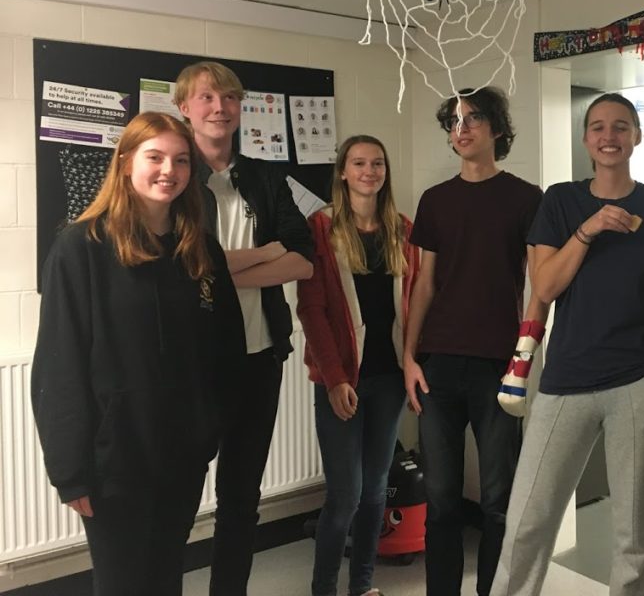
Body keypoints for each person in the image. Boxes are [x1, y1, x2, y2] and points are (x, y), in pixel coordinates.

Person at [32, 112, 246, 596]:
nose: (168, 170)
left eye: (181, 160)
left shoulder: (200, 250)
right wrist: (70, 473)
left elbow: (226, 349)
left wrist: (207, 428)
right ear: (126, 162)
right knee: (124, 584)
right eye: (155, 157)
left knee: (166, 575)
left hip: (182, 454)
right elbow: (58, 366)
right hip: (114, 462)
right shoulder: (80, 246)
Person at [490, 93, 644, 596]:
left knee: (635, 535)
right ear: (586, 140)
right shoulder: (561, 202)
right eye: (599, 127)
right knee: (527, 523)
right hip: (565, 383)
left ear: (637, 136)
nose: (610, 136)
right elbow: (544, 288)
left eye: (621, 127)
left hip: (636, 383)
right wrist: (588, 229)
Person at [174, 61, 314, 596]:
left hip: (260, 361)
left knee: (241, 498)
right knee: (181, 493)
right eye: (207, 97)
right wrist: (262, 253)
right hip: (194, 366)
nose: (220, 107)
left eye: (230, 98)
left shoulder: (265, 176)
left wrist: (220, 269)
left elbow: (302, 260)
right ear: (185, 107)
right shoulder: (174, 178)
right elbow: (180, 266)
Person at [403, 86, 547, 596]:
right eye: (454, 121)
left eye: (473, 119)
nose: (461, 129)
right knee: (441, 501)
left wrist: (525, 359)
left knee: (497, 501)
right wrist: (408, 358)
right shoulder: (436, 200)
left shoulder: (527, 198)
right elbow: (424, 283)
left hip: (498, 366)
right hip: (437, 364)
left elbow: (539, 283)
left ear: (498, 130)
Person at [297, 135, 421, 596]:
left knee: (375, 491)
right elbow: (311, 309)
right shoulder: (320, 229)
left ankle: (362, 586)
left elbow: (414, 304)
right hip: (341, 381)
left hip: (389, 380)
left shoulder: (403, 230)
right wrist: (333, 379)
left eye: (377, 163)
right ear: (343, 173)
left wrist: (414, 364)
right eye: (359, 163)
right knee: (345, 495)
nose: (369, 171)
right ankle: (324, 588)